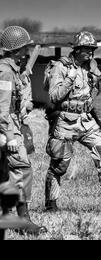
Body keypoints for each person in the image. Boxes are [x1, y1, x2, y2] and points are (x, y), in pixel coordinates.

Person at [43, 31, 101, 212]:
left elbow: (94, 91)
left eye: (92, 49)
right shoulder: (61, 67)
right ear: (77, 49)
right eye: (87, 49)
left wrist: (93, 83)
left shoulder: (91, 67)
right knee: (60, 163)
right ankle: (51, 204)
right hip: (65, 121)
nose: (91, 53)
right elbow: (54, 96)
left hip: (86, 120)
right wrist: (70, 78)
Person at [0, 26, 46, 233]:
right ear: (17, 49)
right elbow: (2, 110)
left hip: (10, 125)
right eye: (25, 47)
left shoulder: (13, 70)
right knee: (22, 168)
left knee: (4, 172)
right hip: (5, 128)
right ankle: (23, 221)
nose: (27, 50)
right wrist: (9, 136)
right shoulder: (6, 73)